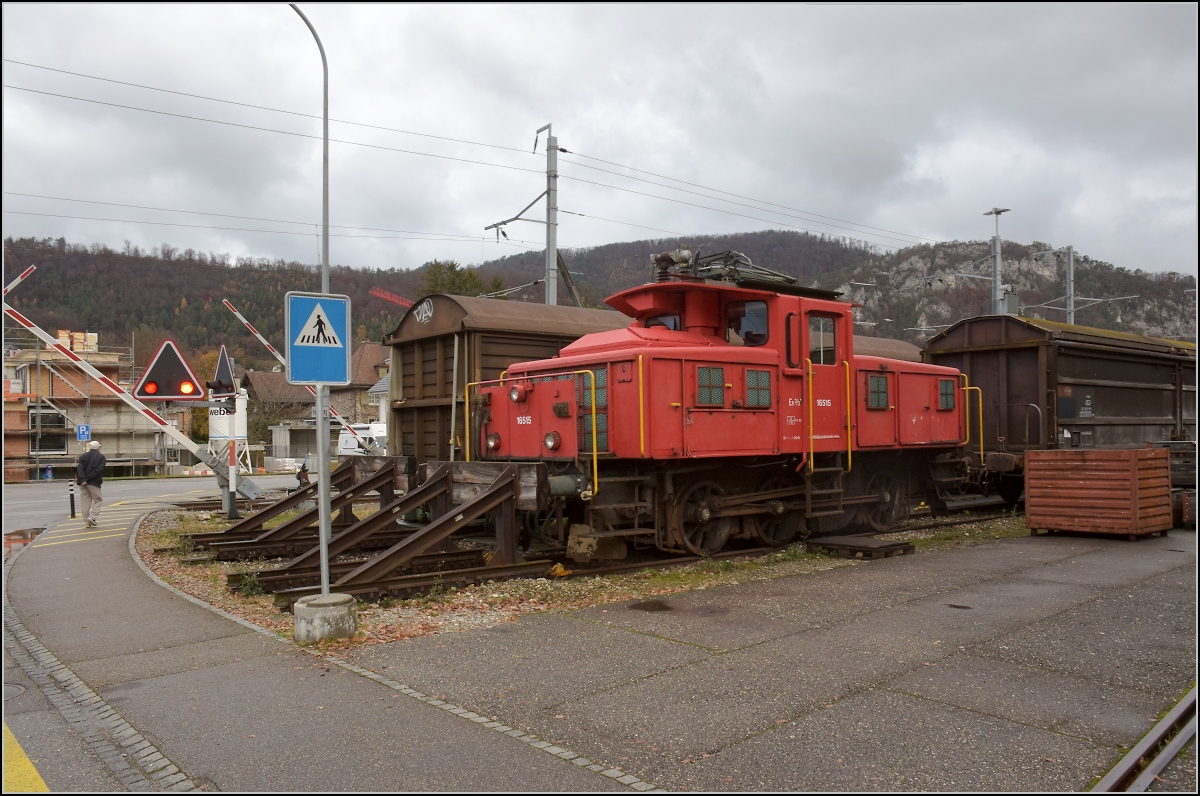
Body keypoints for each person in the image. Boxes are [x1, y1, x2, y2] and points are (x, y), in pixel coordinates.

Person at [76, 440, 107, 527]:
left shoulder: (83, 456)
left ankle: (86, 520)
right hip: (94, 482)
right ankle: (92, 517)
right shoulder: (101, 457)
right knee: (98, 500)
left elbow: (80, 468)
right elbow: (98, 470)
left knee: (85, 501)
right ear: (97, 448)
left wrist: (83, 479)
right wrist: (88, 478)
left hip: (82, 482)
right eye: (99, 447)